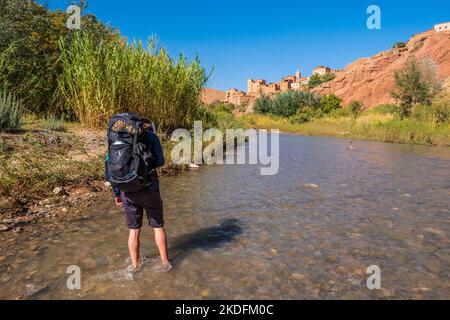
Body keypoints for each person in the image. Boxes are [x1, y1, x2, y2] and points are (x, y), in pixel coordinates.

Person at [113, 126, 172, 273]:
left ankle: (135, 266)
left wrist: (117, 193)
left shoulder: (118, 139)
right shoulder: (151, 136)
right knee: (158, 226)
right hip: (149, 188)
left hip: (127, 191)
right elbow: (159, 161)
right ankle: (165, 263)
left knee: (133, 231)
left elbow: (114, 168)